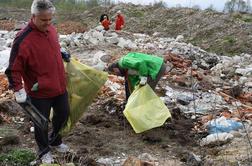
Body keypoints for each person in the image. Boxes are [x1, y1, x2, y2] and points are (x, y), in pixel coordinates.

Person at [5, 0, 70, 164]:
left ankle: (55, 140)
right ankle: (44, 150)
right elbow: (13, 68)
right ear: (33, 16)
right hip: (39, 91)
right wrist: (18, 90)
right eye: (43, 20)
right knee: (41, 123)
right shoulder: (23, 39)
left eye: (50, 19)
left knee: (63, 114)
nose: (48, 23)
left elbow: (52, 45)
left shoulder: (52, 29)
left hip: (59, 85)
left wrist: (60, 51)